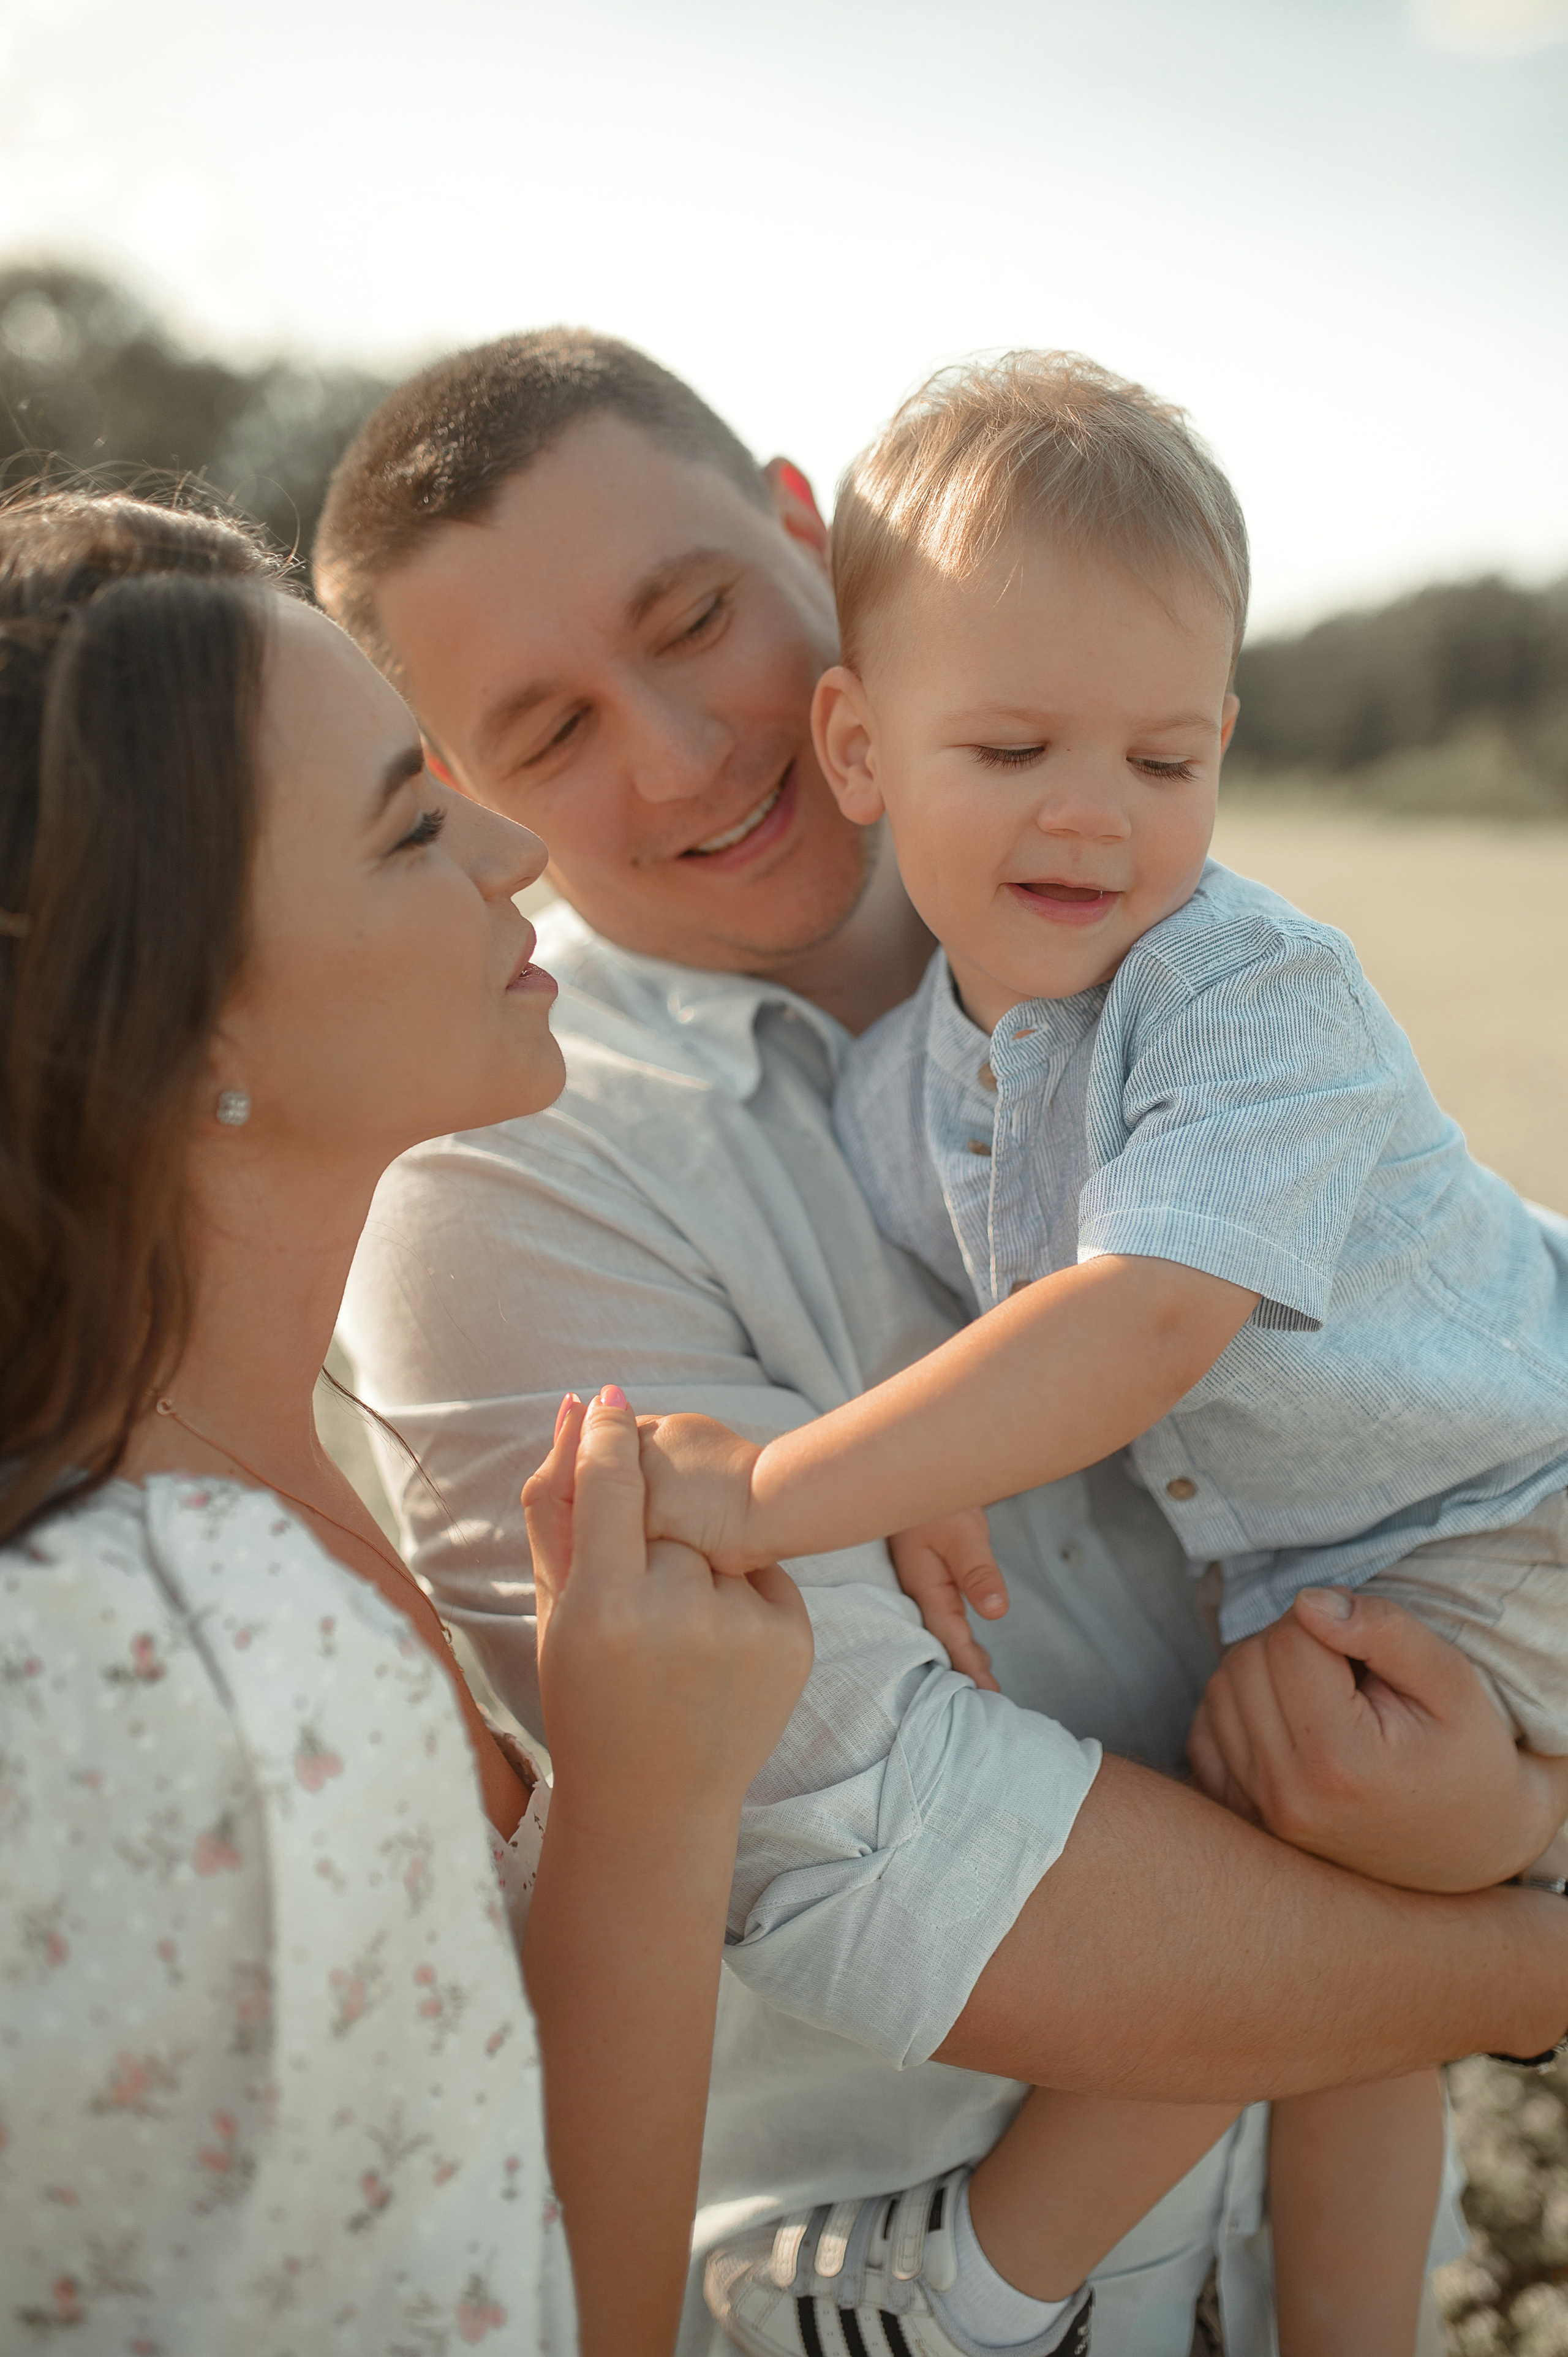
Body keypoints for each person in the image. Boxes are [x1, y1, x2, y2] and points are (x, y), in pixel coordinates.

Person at [315, 331, 1568, 2355]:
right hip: (945, 2284)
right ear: (458, 790)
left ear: (812, 545)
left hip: (1313, 2229)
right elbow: (900, 1860)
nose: (674, 759)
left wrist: (1507, 1816)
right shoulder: (489, 1185)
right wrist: (1520, 1944)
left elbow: (1473, 1400)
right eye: (545, 733)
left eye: (694, 619)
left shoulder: (1128, 919)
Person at [0, 487, 812, 2357]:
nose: (517, 849)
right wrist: (646, 1809)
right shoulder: (186, 1662)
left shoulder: (238, 1459)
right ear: (179, 1020)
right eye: (408, 828)